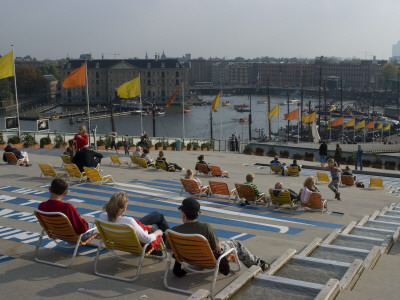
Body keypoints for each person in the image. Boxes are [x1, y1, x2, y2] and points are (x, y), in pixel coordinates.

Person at [167, 198, 269, 278]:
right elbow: (218, 249)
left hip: (188, 259)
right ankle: (258, 264)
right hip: (208, 261)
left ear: (184, 213)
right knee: (235, 244)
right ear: (197, 213)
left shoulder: (173, 231)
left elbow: (169, 249)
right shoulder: (206, 227)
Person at [99, 191, 169, 251]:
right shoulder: (129, 222)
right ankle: (171, 242)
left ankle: (170, 242)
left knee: (157, 215)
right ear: (123, 209)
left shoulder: (102, 217)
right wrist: (157, 233)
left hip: (122, 241)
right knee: (156, 224)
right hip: (134, 245)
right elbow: (147, 239)